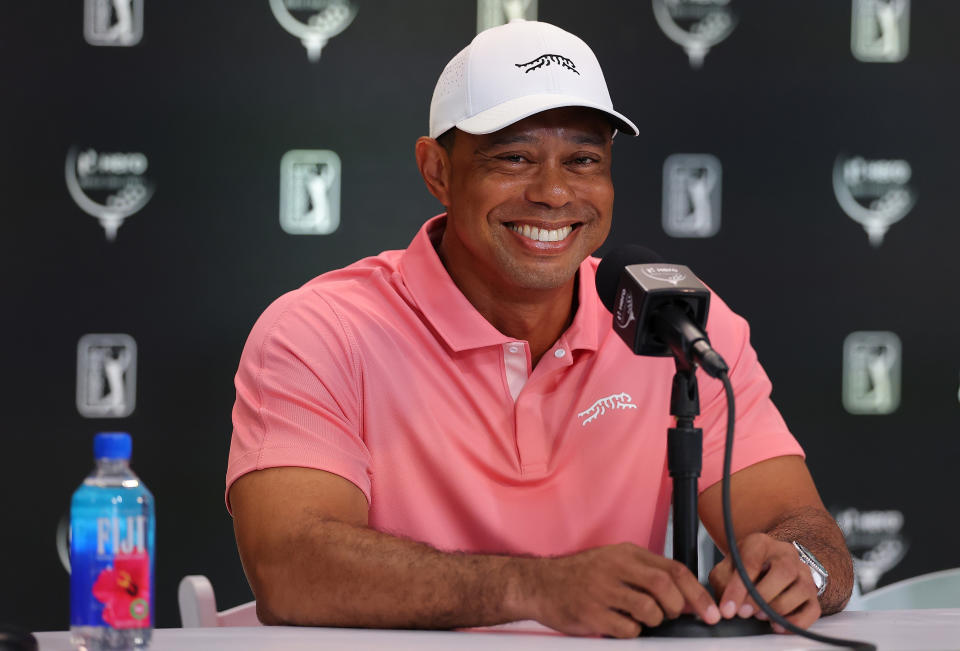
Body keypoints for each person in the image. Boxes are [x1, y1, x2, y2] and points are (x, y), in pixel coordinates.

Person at [226, 19, 853, 638]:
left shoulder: (679, 320)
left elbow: (803, 526)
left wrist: (800, 570)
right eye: (515, 157)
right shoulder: (320, 331)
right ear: (437, 170)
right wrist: (535, 588)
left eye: (583, 159)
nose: (554, 193)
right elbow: (289, 567)